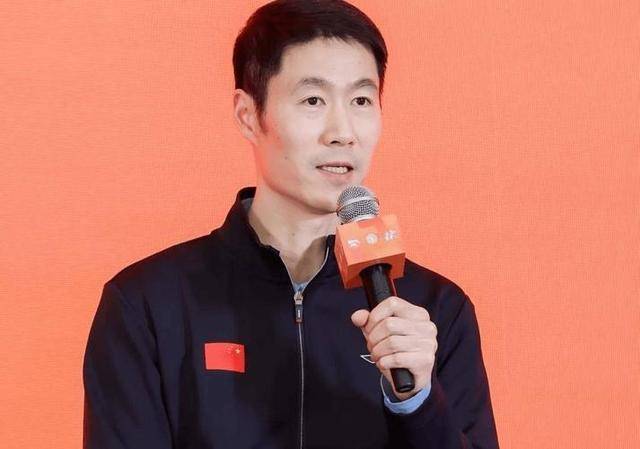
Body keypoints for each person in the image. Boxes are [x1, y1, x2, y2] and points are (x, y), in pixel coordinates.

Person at [82, 1, 499, 448]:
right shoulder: (147, 304)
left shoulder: (433, 309)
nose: (343, 132)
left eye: (361, 100)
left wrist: (417, 402)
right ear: (248, 115)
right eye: (313, 100)